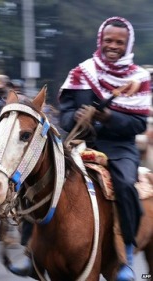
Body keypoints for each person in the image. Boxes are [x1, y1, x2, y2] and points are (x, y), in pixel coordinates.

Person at [58, 17, 151, 280]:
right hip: (80, 144)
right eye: (108, 40)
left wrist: (107, 118)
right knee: (42, 178)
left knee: (123, 184)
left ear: (128, 44)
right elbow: (64, 115)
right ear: (101, 41)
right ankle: (33, 248)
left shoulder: (139, 77)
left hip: (120, 147)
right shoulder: (81, 72)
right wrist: (77, 117)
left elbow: (138, 124)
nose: (113, 46)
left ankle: (126, 253)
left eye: (119, 42)